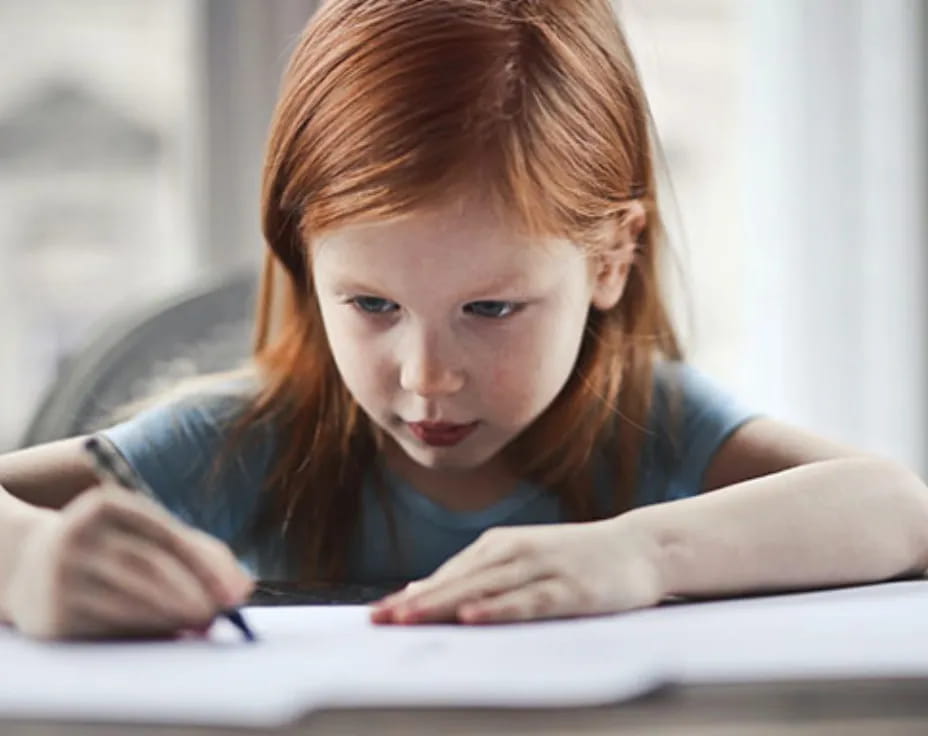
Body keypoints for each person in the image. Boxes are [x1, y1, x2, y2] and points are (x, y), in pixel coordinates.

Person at [2, 0, 927, 640]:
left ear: (609, 261)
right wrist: (26, 563)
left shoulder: (650, 427)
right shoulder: (245, 443)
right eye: (371, 305)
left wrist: (643, 552)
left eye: (490, 308)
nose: (426, 375)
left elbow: (897, 509)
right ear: (303, 260)